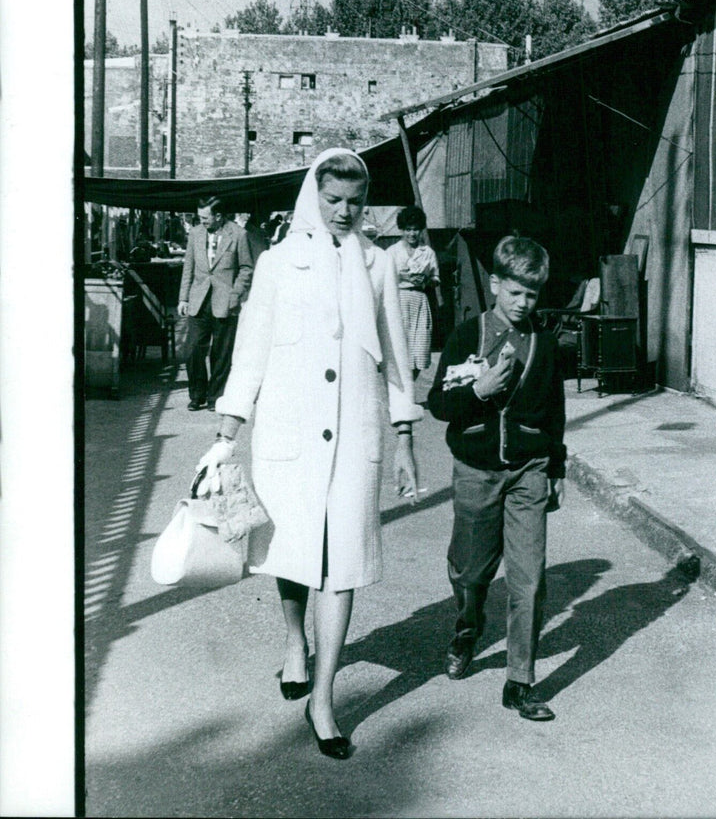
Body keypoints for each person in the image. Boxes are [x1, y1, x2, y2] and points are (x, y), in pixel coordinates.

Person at [199, 148, 422, 760]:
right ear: (313, 197)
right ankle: (295, 640)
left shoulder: (377, 265)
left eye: (355, 201)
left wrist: (405, 437)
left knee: (342, 559)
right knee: (295, 552)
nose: (345, 212)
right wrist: (226, 434)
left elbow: (397, 356)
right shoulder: (277, 263)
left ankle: (324, 700)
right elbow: (251, 349)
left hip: (356, 431)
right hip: (289, 433)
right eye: (333, 201)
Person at [427, 236, 566, 722]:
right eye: (515, 293)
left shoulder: (544, 344)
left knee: (528, 580)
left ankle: (519, 682)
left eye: (532, 294)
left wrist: (558, 467)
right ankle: (468, 627)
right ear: (495, 286)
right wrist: (479, 391)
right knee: (469, 571)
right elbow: (439, 406)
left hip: (528, 471)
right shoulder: (469, 334)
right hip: (477, 471)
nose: (524, 303)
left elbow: (555, 412)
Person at [178, 197, 254, 412]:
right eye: (199, 217)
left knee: (221, 354)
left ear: (218, 216)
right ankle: (196, 395)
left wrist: (235, 294)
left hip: (225, 303)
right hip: (198, 301)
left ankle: (215, 398)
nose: (201, 221)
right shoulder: (195, 234)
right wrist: (183, 298)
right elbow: (188, 267)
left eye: (205, 218)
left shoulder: (239, 235)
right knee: (192, 350)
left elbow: (247, 268)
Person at [387, 205, 440, 379]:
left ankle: (410, 391)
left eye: (416, 229)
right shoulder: (392, 252)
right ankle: (399, 393)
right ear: (402, 230)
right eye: (408, 229)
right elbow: (384, 279)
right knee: (400, 346)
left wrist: (426, 282)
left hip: (420, 300)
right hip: (399, 300)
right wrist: (401, 277)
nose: (412, 234)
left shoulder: (428, 252)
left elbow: (435, 278)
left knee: (419, 348)